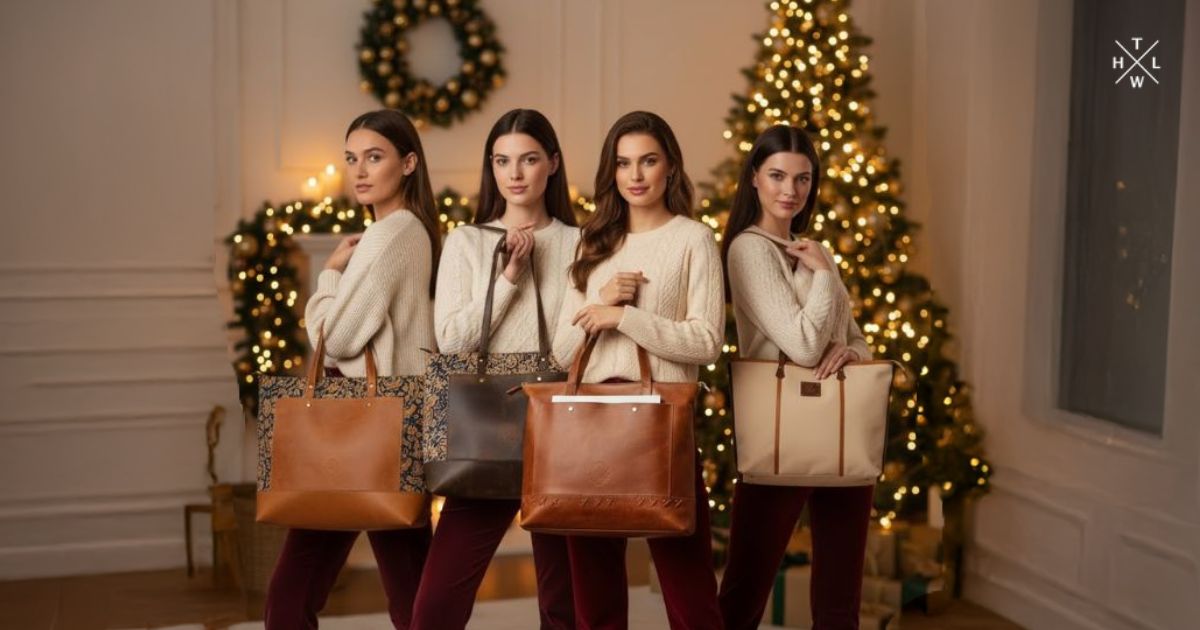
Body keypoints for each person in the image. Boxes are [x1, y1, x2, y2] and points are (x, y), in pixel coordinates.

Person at [264, 109, 441, 630]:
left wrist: (328, 276)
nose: (359, 171)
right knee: (412, 590)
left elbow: (336, 339)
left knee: (294, 587)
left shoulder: (391, 234)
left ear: (408, 164)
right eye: (351, 158)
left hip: (359, 425)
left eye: (374, 157)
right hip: (394, 423)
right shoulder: (411, 231)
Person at [553, 111, 725, 630]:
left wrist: (626, 318)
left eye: (648, 161)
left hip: (661, 423)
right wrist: (601, 302)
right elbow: (562, 353)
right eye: (624, 163)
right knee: (594, 591)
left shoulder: (693, 239)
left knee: (689, 587)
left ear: (670, 166)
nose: (635, 175)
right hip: (591, 424)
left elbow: (707, 341)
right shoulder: (592, 243)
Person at [410, 108, 579, 630]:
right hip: (484, 429)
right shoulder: (466, 241)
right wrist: (509, 275)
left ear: (553, 163)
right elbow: (453, 341)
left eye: (529, 159)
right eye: (502, 161)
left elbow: (571, 348)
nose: (515, 173)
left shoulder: (579, 242)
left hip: (560, 427)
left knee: (564, 603)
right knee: (436, 604)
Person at [718, 124, 873, 630]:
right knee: (744, 592)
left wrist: (851, 353)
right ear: (754, 178)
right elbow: (803, 346)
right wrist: (824, 275)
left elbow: (857, 339)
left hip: (841, 428)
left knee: (840, 601)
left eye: (803, 179)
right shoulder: (749, 250)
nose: (791, 190)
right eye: (778, 176)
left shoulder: (811, 249)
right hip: (780, 426)